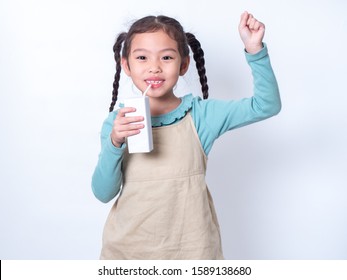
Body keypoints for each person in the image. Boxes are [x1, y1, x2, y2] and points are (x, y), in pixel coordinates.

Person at [91, 12, 281, 259]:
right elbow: (103, 192)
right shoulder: (117, 124)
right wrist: (115, 142)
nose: (154, 67)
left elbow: (266, 105)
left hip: (193, 253)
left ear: (183, 65)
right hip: (128, 254)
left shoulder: (202, 115)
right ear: (126, 65)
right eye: (142, 58)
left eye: (167, 57)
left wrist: (255, 51)